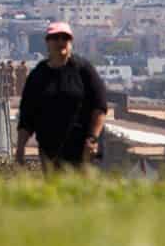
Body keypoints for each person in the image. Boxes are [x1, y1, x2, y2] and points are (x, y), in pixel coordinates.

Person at [15, 21, 109, 171]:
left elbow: (100, 106)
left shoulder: (84, 70)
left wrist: (93, 139)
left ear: (71, 42)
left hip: (83, 152)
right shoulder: (38, 75)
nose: (60, 42)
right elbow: (27, 116)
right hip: (50, 153)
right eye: (55, 38)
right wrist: (20, 149)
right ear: (47, 42)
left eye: (65, 38)